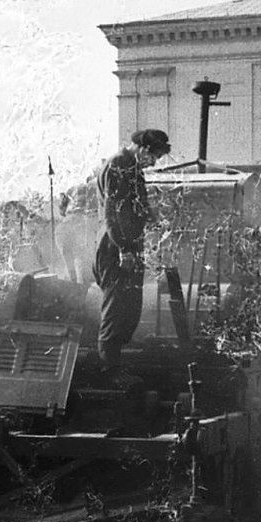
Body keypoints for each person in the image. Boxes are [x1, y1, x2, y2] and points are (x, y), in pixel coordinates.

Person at [92, 128, 170, 386]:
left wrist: (153, 216)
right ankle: (110, 370)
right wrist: (123, 249)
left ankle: (118, 362)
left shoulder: (133, 168)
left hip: (131, 245)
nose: (154, 163)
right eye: (154, 156)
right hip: (116, 247)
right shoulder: (117, 166)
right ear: (143, 148)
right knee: (116, 309)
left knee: (131, 306)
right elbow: (110, 213)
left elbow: (137, 204)